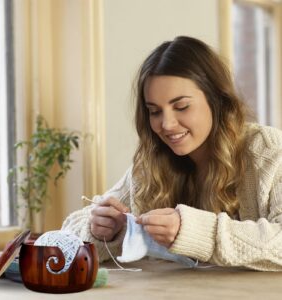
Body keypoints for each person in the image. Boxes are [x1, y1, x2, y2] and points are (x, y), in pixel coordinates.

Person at [62, 36, 282, 271]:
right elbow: (68, 233)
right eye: (154, 111)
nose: (166, 124)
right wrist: (98, 231)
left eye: (181, 107)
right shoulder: (152, 164)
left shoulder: (267, 150)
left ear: (217, 100)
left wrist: (194, 232)